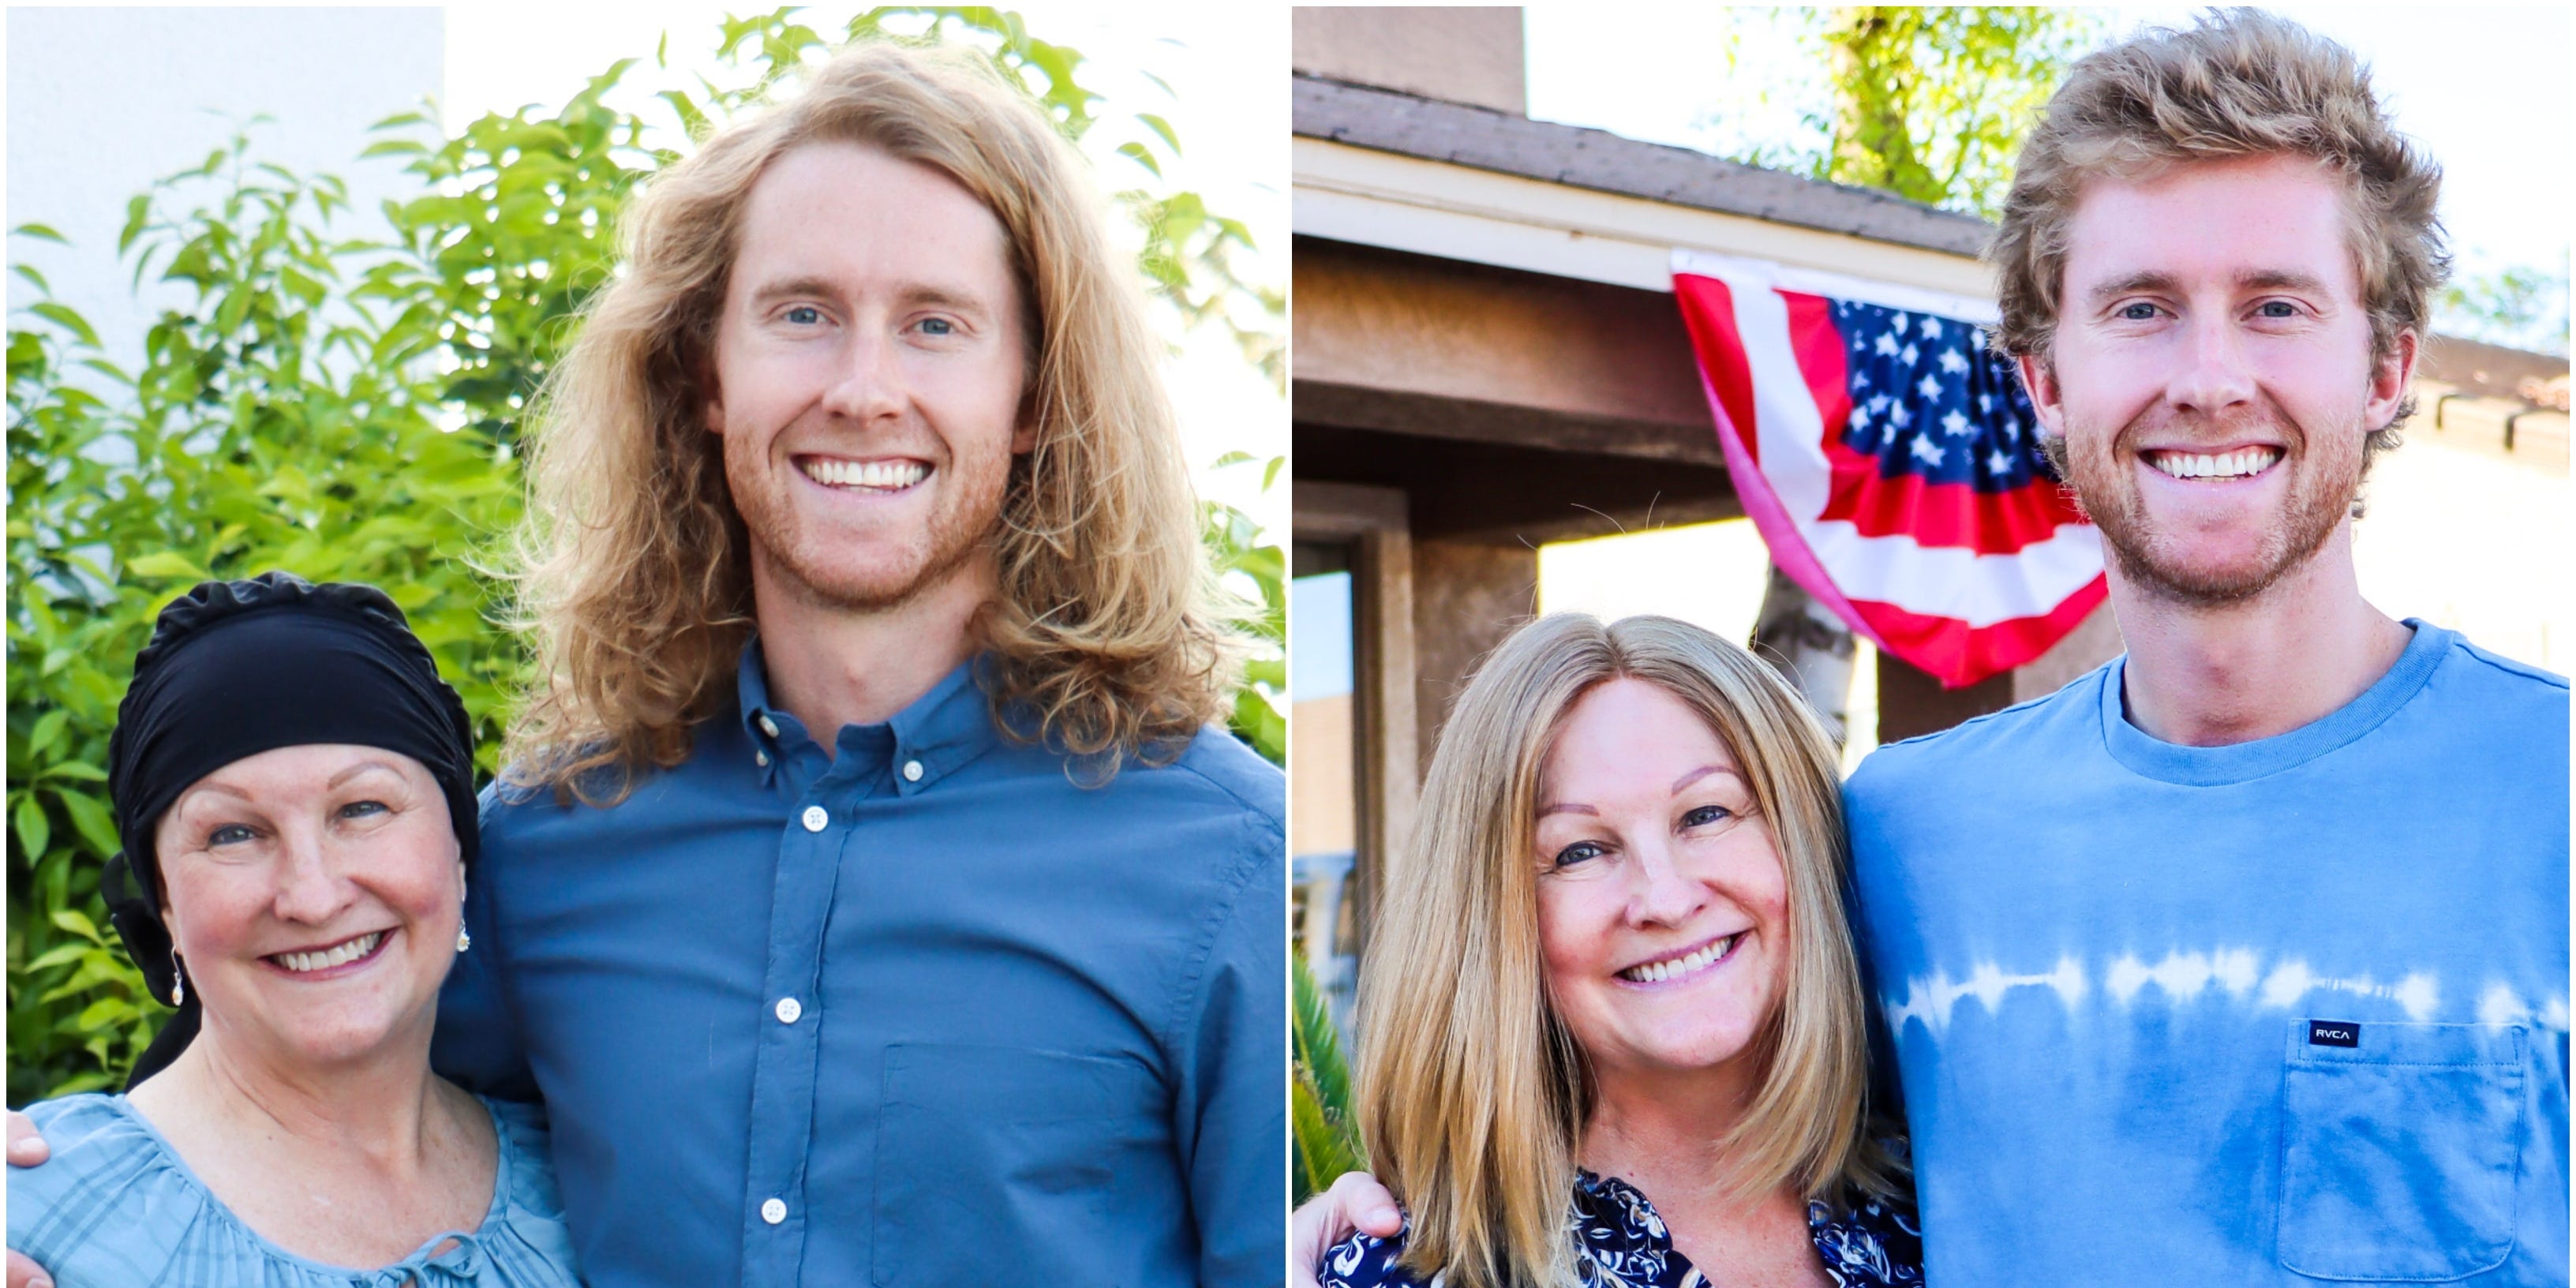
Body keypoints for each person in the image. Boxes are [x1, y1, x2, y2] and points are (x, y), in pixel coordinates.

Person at [1301, 10, 2567, 1287]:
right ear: (2042, 383)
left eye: (2274, 305)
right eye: (2137, 308)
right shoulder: (1906, 836)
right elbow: (1663, 1066)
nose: (2206, 375)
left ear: (2386, 366)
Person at [14, 37, 1282, 1288]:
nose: (863, 387)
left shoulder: (1218, 862)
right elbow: (298, 1072)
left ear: (1032, 398)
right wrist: (62, 1186)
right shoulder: (543, 852)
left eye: (937, 325)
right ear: (704, 373)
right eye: (803, 314)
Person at [6, 573, 581, 1287]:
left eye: (363, 809)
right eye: (234, 833)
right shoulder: (40, 1215)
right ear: (164, 908)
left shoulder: (586, 1189)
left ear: (461, 854)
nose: (310, 897)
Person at [1316, 613, 1917, 1288]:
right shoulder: (1406, 1274)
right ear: (1494, 922)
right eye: (1580, 852)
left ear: (1802, 840)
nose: (1663, 900)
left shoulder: (1941, 1203)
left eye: (1706, 815)